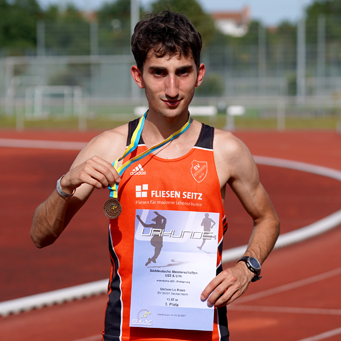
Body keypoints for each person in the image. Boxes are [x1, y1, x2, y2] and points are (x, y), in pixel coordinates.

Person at [31, 10, 280, 341]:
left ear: (200, 73)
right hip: (126, 333)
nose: (172, 88)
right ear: (138, 75)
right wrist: (65, 185)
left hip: (204, 332)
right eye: (159, 73)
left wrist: (247, 269)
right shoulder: (108, 147)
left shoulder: (225, 150)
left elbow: (268, 219)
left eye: (183, 72)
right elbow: (40, 235)